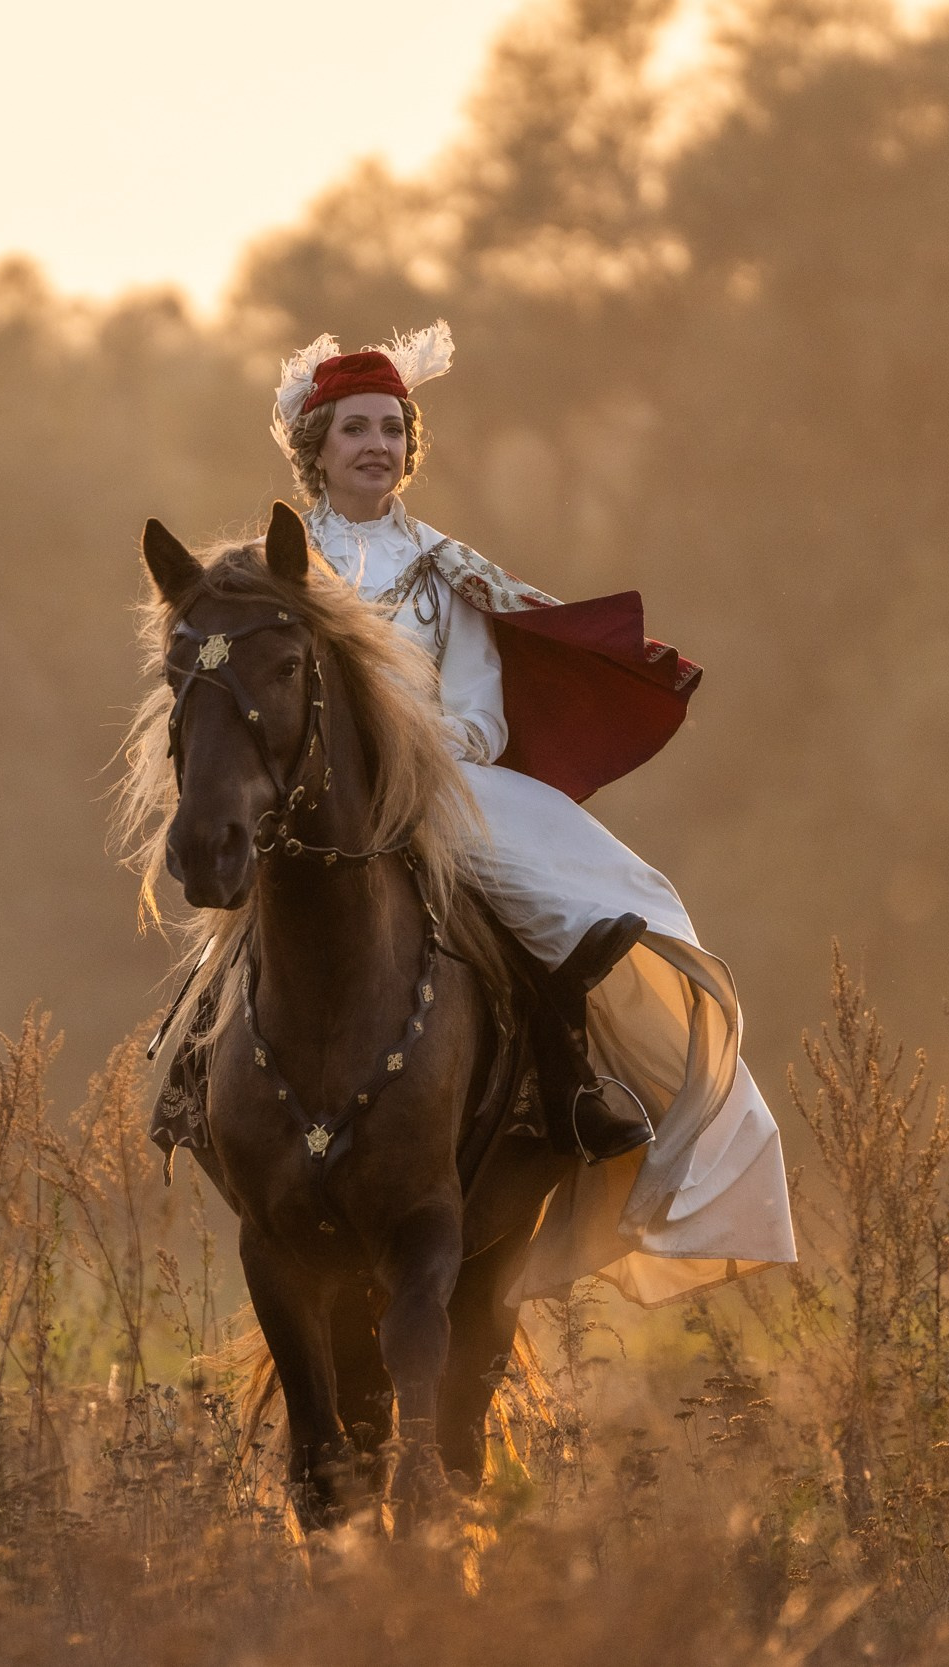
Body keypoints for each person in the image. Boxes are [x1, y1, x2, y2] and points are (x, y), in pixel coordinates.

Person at [159, 323, 795, 1305]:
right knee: (235, 927)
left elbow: (486, 701)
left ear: (408, 445)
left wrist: (432, 751)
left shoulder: (446, 569)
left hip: (441, 782)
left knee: (585, 901)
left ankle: (577, 1085)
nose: (375, 444)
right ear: (315, 447)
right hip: (305, 796)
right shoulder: (265, 569)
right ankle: (192, 1078)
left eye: (389, 428)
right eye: (354, 429)